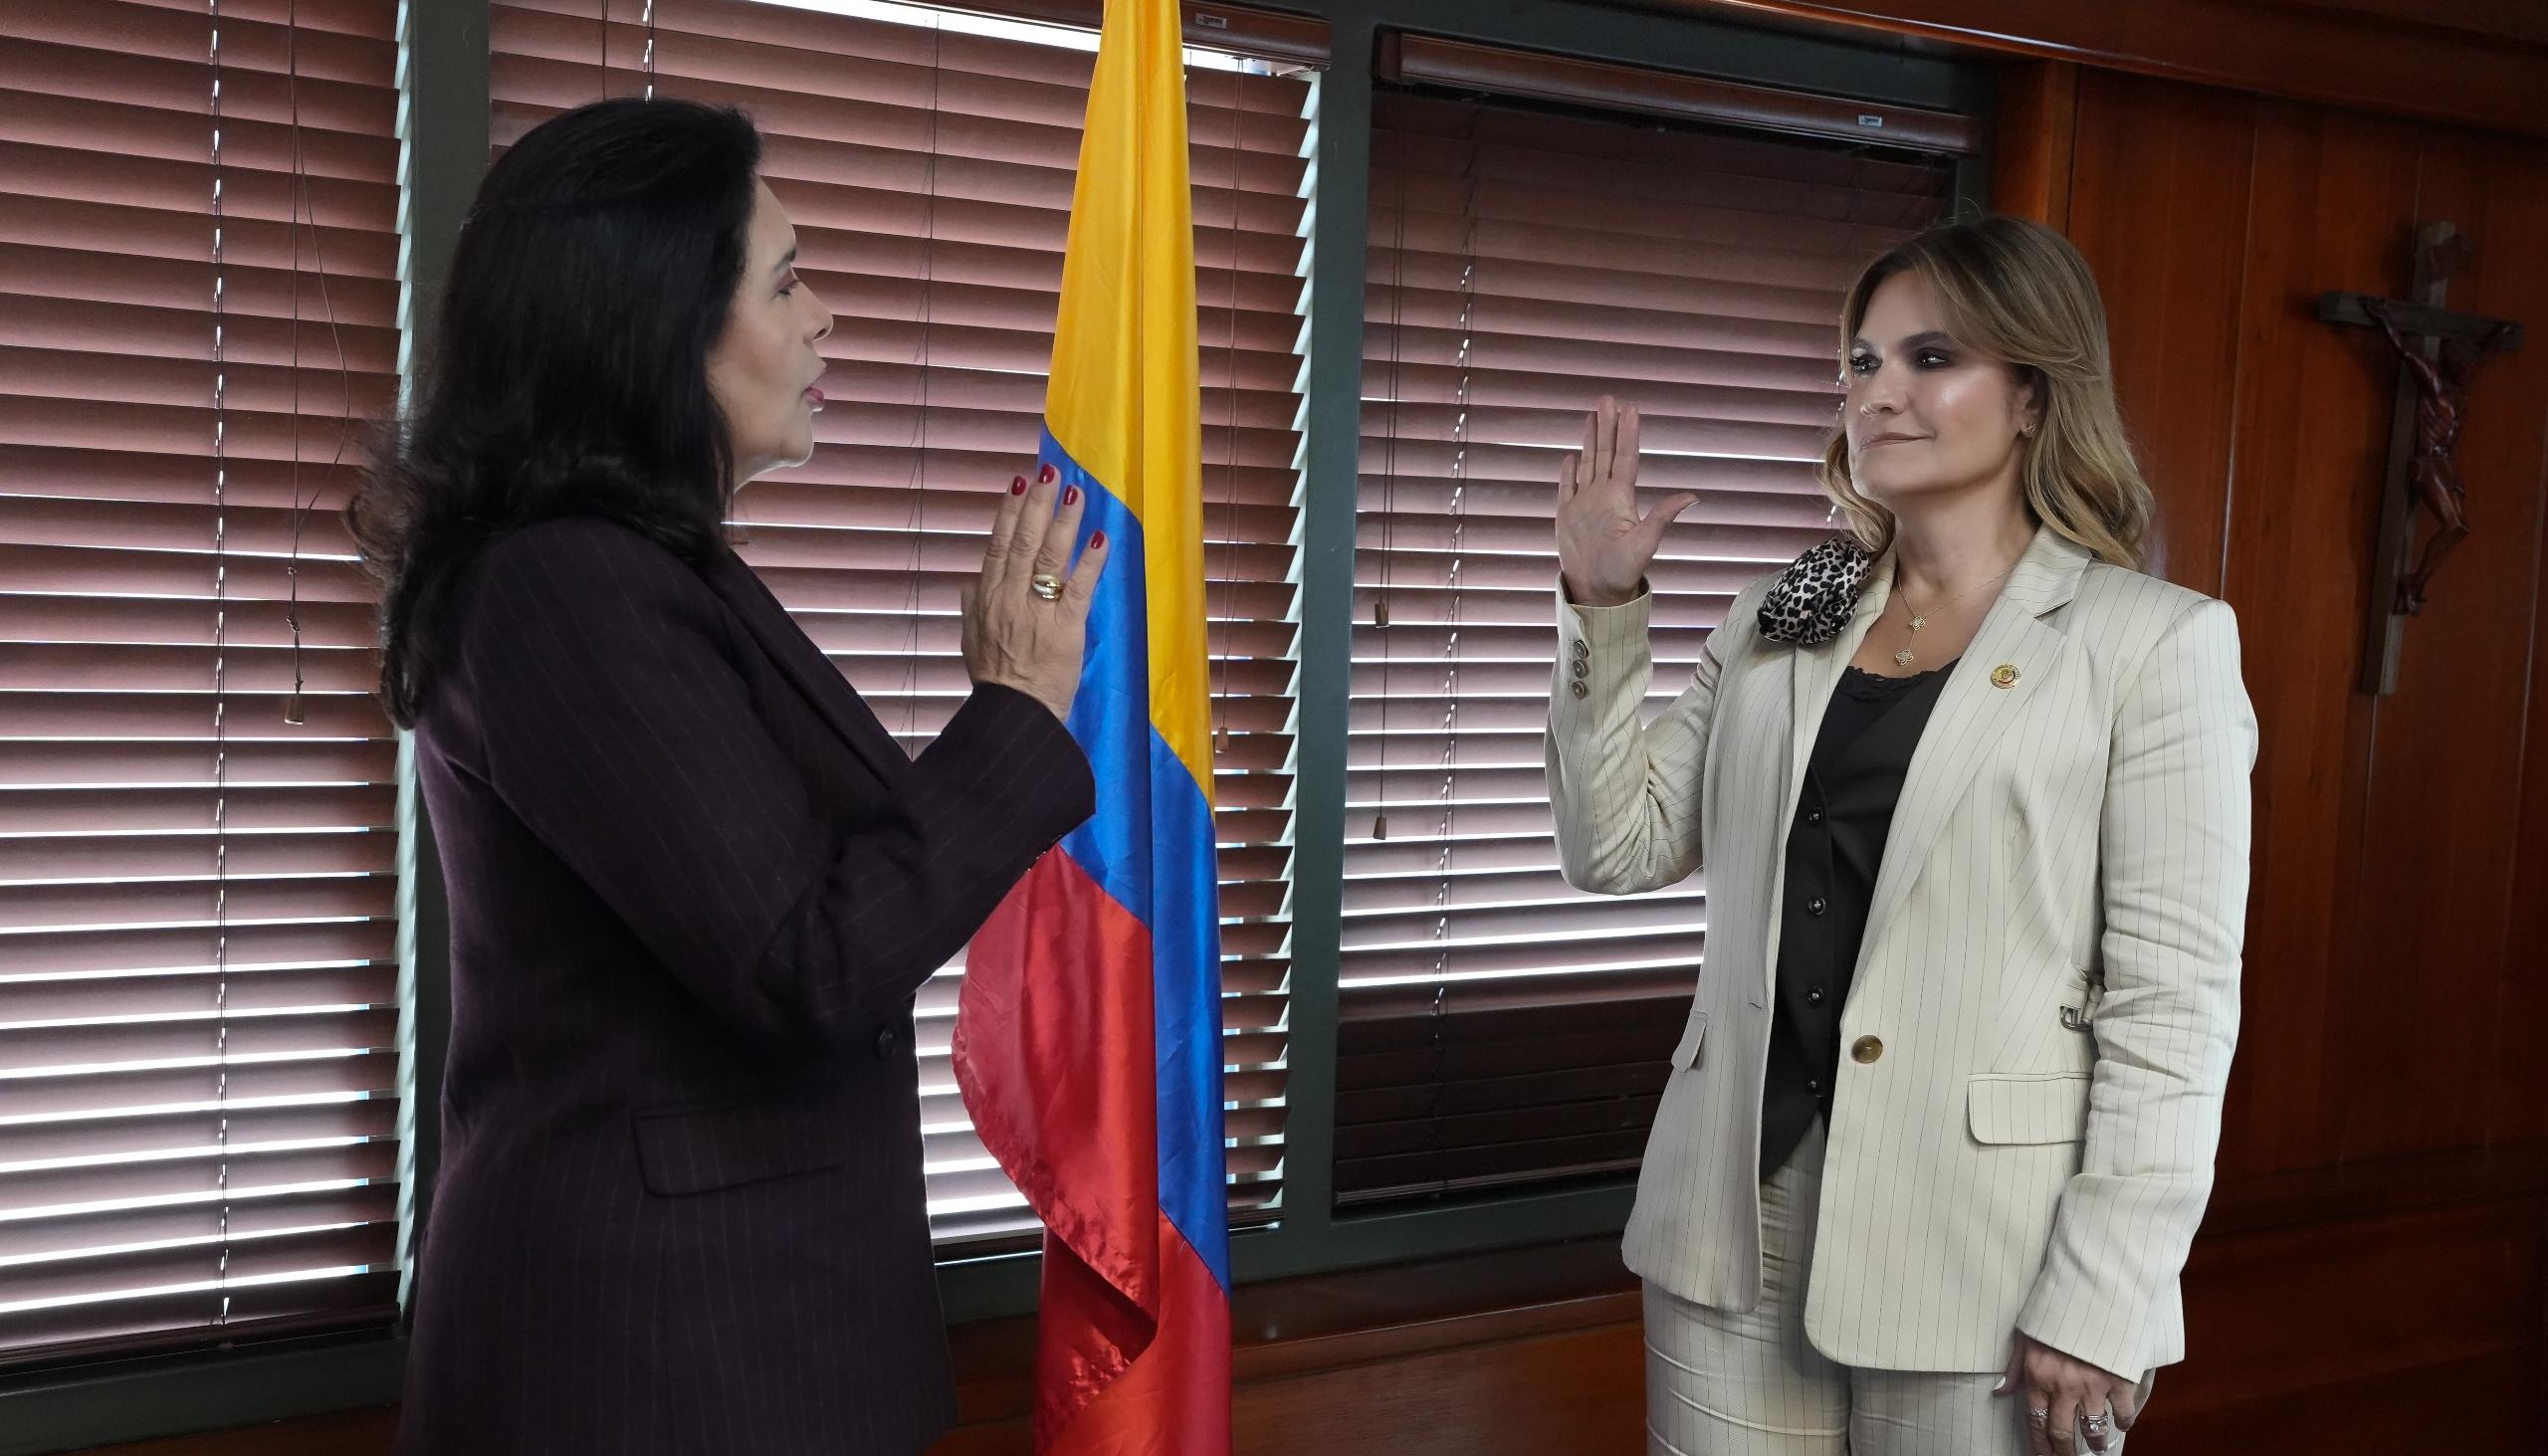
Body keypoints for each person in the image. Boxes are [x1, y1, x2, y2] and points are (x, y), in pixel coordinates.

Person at [349, 98, 1109, 1456]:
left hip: (740, 1335)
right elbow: (808, 962)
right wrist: (1014, 707)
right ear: (656, 328)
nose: (825, 318)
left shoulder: (642, 568)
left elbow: (813, 898)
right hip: (651, 1359)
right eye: (788, 280)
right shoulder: (561, 586)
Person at [1546, 215, 2255, 1455]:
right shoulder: (1784, 612)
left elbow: (2173, 1004)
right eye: (1862, 363)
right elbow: (1619, 845)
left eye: (1931, 358)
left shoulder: (2153, 641)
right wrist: (1604, 608)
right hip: (1732, 1219)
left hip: (1990, 1245)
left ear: (2032, 394)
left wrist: (2104, 1294)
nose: (1882, 393)